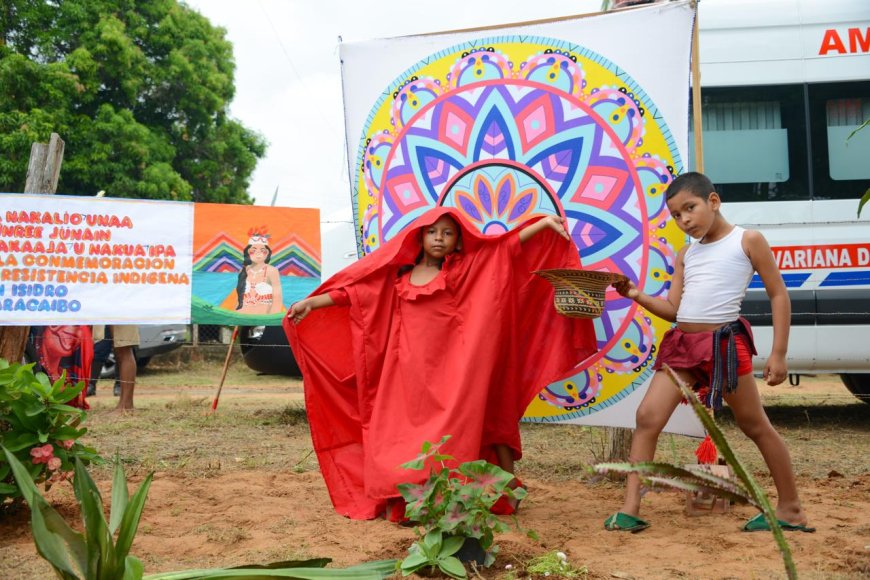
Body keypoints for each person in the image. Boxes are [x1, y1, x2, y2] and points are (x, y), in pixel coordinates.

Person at [284, 207, 598, 520]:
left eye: (447, 233)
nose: (439, 238)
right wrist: (312, 302)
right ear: (419, 237)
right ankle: (405, 496)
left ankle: (490, 492)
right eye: (432, 232)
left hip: (453, 374)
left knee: (468, 430)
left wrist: (542, 225)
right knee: (397, 435)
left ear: (458, 241)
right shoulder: (398, 277)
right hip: (406, 374)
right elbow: (353, 293)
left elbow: (501, 251)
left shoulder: (462, 271)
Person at [604, 172, 813, 533]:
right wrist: (635, 295)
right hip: (682, 347)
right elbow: (674, 310)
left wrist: (779, 353)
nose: (684, 220)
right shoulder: (686, 255)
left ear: (713, 201)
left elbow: (779, 294)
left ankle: (790, 509)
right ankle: (631, 508)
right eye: (676, 215)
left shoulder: (747, 240)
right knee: (647, 417)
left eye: (690, 208)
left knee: (754, 425)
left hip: (723, 348)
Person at [236, 227, 284, 315]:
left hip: (264, 318)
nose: (258, 253)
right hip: (243, 317)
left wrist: (271, 319)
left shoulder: (272, 271)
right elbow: (239, 298)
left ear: (267, 253)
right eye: (253, 250)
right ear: (247, 252)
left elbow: (277, 299)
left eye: (262, 250)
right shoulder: (243, 270)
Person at [93, 325, 139, 411]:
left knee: (124, 350)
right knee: (120, 352)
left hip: (121, 318)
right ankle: (123, 404)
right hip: (112, 318)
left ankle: (126, 406)